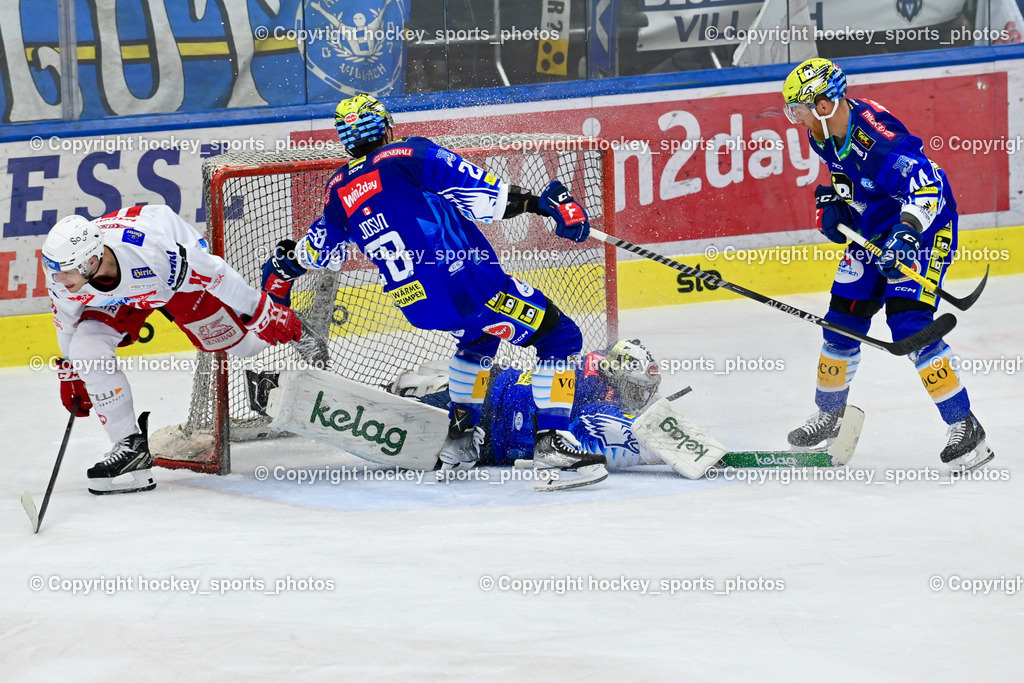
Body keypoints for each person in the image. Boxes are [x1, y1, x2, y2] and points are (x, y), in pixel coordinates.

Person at [260, 93, 608, 489]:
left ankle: (459, 443)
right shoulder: (409, 155)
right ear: (386, 126)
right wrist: (542, 204)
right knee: (560, 337)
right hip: (470, 286)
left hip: (421, 306)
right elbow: (485, 197)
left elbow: (317, 251)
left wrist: (283, 265)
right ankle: (552, 446)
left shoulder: (338, 190)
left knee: (477, 341)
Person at [781, 58, 993, 472]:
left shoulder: (879, 142)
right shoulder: (822, 134)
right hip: (875, 230)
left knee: (909, 323)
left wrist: (907, 232)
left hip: (923, 231)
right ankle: (830, 415)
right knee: (841, 320)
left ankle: (966, 426)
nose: (797, 117)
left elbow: (929, 185)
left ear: (825, 105)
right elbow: (851, 181)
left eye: (800, 108)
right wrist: (837, 204)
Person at [42, 205, 306, 494]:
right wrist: (73, 372)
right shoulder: (64, 275)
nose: (57, 279)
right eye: (53, 271)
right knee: (85, 348)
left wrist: (260, 311)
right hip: (124, 292)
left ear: (91, 262)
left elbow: (216, 273)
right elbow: (66, 324)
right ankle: (130, 448)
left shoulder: (155, 252)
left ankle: (276, 285)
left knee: (246, 346)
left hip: (171, 283)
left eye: (64, 272)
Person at [393, 339, 666, 470]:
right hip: (489, 407)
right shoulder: (590, 387)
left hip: (494, 415)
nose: (638, 398)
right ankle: (400, 401)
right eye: (634, 389)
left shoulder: (597, 376)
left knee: (425, 404)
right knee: (410, 410)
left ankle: (412, 394)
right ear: (615, 378)